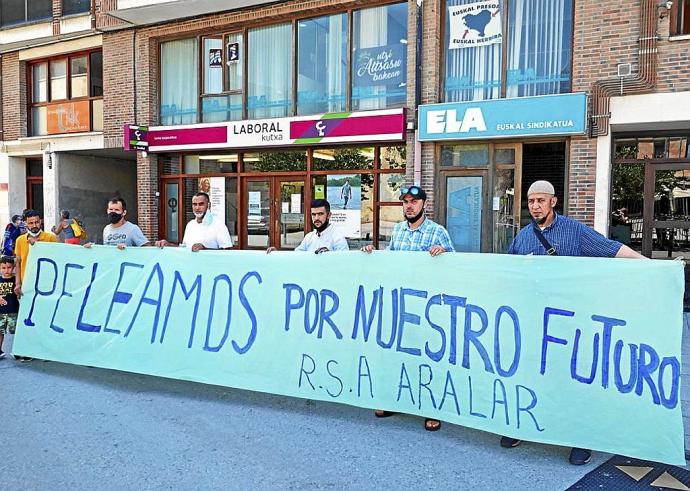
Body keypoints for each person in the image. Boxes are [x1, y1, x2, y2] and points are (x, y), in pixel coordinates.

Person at [501, 180, 644, 466]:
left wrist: (652, 265)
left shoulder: (574, 231)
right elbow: (508, 273)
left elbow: (611, 249)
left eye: (541, 200)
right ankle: (521, 426)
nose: (535, 206)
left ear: (554, 201)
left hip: (569, 322)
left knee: (574, 379)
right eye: (531, 201)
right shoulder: (522, 238)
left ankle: (580, 438)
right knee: (531, 374)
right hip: (533, 321)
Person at [362, 185, 455, 432]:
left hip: (427, 308)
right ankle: (395, 400)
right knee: (398, 354)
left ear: (424, 204)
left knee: (428, 356)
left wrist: (444, 253)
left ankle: (431, 408)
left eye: (414, 201)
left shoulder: (437, 232)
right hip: (401, 305)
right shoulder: (398, 230)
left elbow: (456, 267)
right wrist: (374, 254)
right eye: (405, 202)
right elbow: (392, 261)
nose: (409, 206)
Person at [156, 192, 233, 251]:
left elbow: (227, 251)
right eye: (194, 204)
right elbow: (185, 249)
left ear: (208, 205)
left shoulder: (218, 225)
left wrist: (205, 249)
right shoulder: (190, 225)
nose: (197, 208)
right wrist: (168, 245)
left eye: (201, 204)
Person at [267, 199, 348, 253]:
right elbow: (295, 257)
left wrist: (329, 256)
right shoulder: (309, 237)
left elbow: (344, 264)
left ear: (329, 215)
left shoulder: (338, 238)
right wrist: (277, 254)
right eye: (313, 214)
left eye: (320, 214)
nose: (316, 218)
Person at [14, 209, 58, 300]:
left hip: (46, 284)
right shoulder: (20, 240)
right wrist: (18, 284)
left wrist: (83, 249)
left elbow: (61, 256)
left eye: (37, 222)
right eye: (31, 223)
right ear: (26, 223)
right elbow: (18, 263)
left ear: (40, 222)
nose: (34, 225)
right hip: (26, 284)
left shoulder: (50, 238)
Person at [84, 197, 150, 250]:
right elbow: (105, 250)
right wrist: (92, 249)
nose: (113, 212)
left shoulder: (132, 228)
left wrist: (128, 250)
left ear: (124, 213)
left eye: (116, 210)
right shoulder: (106, 229)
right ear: (107, 210)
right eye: (111, 209)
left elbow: (147, 249)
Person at [0, 256, 19, 360]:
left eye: (9, 267)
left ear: (13, 267)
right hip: (1, 312)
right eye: (3, 268)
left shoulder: (16, 280)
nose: (6, 270)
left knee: (16, 332)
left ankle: (18, 350)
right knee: (0, 332)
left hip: (13, 311)